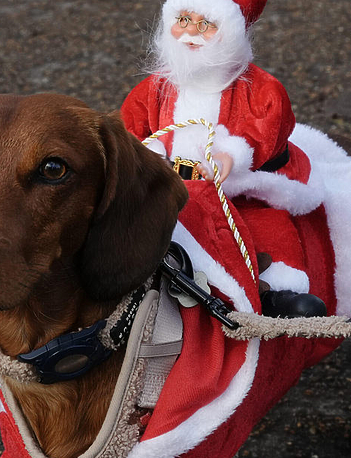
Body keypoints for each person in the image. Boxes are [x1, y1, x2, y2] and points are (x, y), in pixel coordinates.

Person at [121, 0, 328, 318]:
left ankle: (276, 290)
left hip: (238, 187)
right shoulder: (156, 87)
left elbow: (268, 124)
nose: (191, 32)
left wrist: (231, 155)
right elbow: (133, 125)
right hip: (172, 183)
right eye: (184, 19)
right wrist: (151, 154)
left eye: (205, 25)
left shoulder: (259, 88)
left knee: (264, 226)